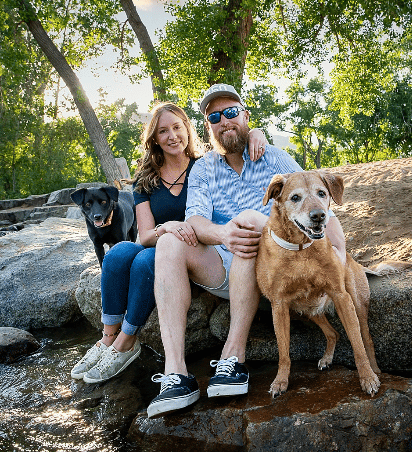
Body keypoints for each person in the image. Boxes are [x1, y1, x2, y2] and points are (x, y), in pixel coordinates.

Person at [146, 84, 347, 418]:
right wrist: (223, 233)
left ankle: (232, 359)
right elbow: (195, 218)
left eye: (231, 112)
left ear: (246, 116)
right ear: (208, 126)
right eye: (214, 117)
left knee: (252, 220)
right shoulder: (204, 168)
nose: (224, 121)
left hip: (275, 264)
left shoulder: (275, 159)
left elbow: (319, 202)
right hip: (224, 264)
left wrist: (338, 255)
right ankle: (176, 374)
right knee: (169, 241)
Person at [70, 101, 269, 384]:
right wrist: (169, 226)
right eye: (163, 131)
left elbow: (234, 143)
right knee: (117, 254)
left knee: (143, 260)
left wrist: (256, 132)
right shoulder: (146, 179)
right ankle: (106, 339)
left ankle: (126, 342)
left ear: (188, 130)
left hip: (196, 250)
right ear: (155, 139)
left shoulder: (206, 166)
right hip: (161, 241)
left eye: (177, 127)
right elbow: (146, 235)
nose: (172, 135)